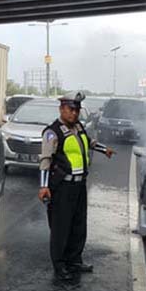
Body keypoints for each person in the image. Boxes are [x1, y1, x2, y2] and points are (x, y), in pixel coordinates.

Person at [38, 91, 115, 280]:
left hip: (79, 186)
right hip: (62, 188)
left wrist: (105, 149)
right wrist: (43, 186)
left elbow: (88, 143)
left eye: (77, 110)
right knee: (61, 228)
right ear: (62, 109)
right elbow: (45, 160)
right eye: (71, 109)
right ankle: (60, 265)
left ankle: (74, 260)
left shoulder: (78, 127)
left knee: (78, 225)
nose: (74, 113)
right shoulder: (52, 132)